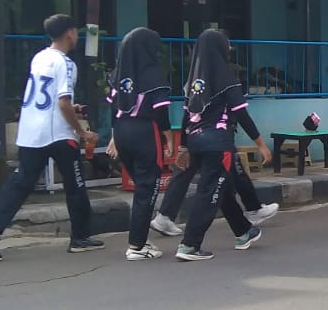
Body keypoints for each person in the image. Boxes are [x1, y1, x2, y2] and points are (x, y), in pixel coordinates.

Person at [0, 14, 103, 262]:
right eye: (76, 32)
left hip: (31, 130)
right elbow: (63, 101)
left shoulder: (39, 57)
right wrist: (81, 130)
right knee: (75, 184)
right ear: (70, 34)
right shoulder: (65, 63)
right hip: (58, 134)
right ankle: (80, 238)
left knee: (20, 183)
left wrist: (69, 109)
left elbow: (51, 98)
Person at [177, 30, 272, 260]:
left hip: (196, 141)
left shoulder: (194, 82)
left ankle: (244, 231)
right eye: (227, 45)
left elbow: (187, 115)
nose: (229, 49)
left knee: (223, 188)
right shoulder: (225, 78)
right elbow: (241, 115)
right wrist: (261, 144)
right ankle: (189, 245)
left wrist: (183, 147)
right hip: (217, 145)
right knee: (210, 191)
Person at [104, 27, 173, 260]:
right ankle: (136, 245)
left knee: (141, 187)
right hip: (145, 131)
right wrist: (170, 139)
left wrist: (114, 136)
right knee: (147, 187)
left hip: (122, 131)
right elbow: (162, 114)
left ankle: (139, 237)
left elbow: (114, 110)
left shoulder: (117, 75)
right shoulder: (153, 75)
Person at [151, 149, 277, 237]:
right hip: (216, 134)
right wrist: (259, 142)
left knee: (189, 169)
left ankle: (166, 216)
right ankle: (190, 242)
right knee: (224, 176)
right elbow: (240, 112)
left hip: (197, 132)